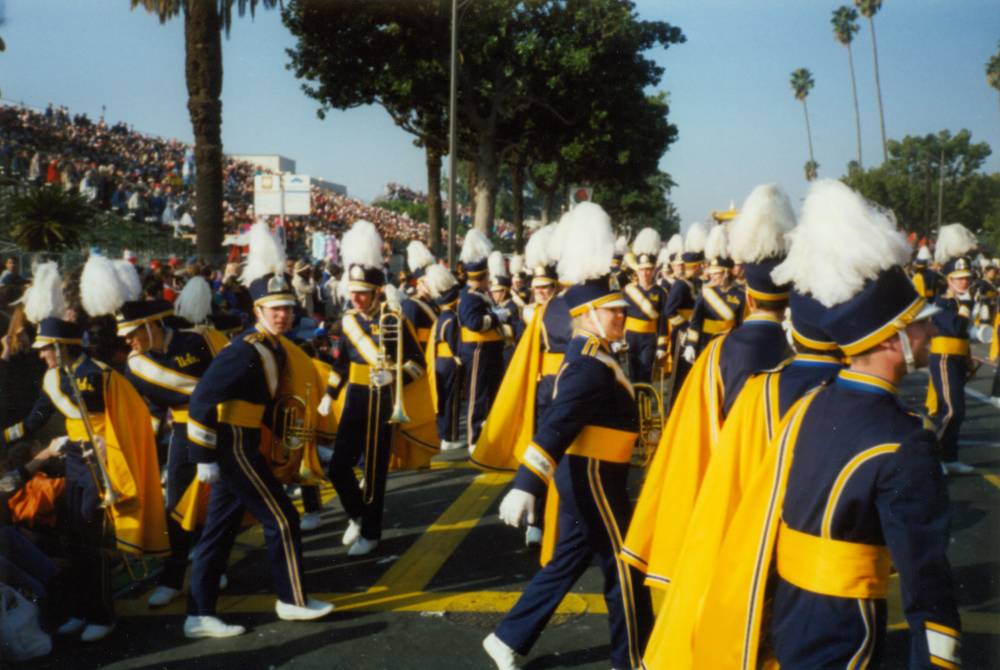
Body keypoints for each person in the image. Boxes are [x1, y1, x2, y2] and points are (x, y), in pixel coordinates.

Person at [678, 180, 960, 670]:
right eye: (919, 322)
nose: (930, 330)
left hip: (788, 617)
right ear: (892, 340)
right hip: (847, 629)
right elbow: (927, 584)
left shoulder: (810, 404)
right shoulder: (905, 441)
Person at [484, 202, 653, 670]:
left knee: (568, 560)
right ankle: (636, 659)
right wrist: (525, 483)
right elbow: (556, 425)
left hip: (598, 475)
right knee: (625, 567)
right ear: (590, 314)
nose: (623, 317)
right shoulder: (588, 364)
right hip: (594, 476)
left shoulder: (593, 354)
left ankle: (507, 637)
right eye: (614, 311)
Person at [622, 183, 794, 587]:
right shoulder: (815, 353)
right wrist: (682, 340)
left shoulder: (723, 348)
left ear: (749, 297)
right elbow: (685, 317)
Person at [2, 261, 167, 643]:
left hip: (100, 462)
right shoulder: (55, 377)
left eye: (46, 349)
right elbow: (34, 420)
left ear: (61, 348)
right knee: (75, 540)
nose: (41, 355)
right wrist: (4, 436)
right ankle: (83, 608)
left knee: (91, 542)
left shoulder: (95, 376)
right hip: (74, 459)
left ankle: (102, 614)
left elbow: (115, 422)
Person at [183, 222, 333, 638]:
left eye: (287, 308)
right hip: (232, 446)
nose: (283, 315)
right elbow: (200, 400)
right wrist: (203, 459)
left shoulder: (270, 346)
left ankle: (198, 614)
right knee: (283, 518)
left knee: (219, 531)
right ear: (258, 312)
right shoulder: (245, 350)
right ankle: (292, 599)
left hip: (245, 443)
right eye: (274, 309)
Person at [319, 220, 426, 557]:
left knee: (374, 472)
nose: (356, 298)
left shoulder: (394, 318)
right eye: (353, 292)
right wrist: (329, 395)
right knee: (338, 467)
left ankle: (372, 532)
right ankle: (356, 515)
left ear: (377, 291)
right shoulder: (349, 321)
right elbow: (341, 363)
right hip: (355, 399)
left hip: (382, 400)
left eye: (362, 293)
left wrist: (396, 376)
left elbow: (417, 364)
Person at [927, 223, 978, 475]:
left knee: (958, 410)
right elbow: (955, 327)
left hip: (957, 357)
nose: (965, 281)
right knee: (951, 410)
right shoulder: (942, 301)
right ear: (948, 279)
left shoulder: (960, 300)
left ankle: (949, 457)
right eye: (959, 278)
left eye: (967, 277)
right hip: (944, 357)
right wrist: (966, 309)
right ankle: (934, 457)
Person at [457, 230, 507, 448]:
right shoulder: (469, 297)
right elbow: (474, 323)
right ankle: (473, 439)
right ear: (483, 277)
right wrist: (497, 317)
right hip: (477, 349)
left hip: (487, 349)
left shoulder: (478, 295)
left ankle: (485, 435)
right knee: (477, 395)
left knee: (488, 394)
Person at [662, 222, 706, 407]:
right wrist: (685, 328)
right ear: (696, 266)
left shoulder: (697, 283)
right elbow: (669, 311)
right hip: (682, 334)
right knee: (680, 376)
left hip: (694, 332)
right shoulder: (680, 285)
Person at [683, 223, 744, 356]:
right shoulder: (706, 292)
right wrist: (691, 345)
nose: (712, 275)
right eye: (711, 272)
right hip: (706, 342)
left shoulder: (740, 295)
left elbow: (740, 324)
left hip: (729, 344)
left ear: (726, 273)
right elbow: (696, 320)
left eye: (716, 273)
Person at [622, 228, 669, 384]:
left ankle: (646, 404)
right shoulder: (629, 291)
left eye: (649, 269)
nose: (645, 273)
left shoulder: (661, 292)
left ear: (654, 270)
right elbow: (621, 315)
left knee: (646, 373)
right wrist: (617, 338)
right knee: (632, 375)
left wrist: (662, 345)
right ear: (638, 270)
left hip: (649, 338)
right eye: (642, 269)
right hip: (630, 337)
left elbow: (663, 319)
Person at [424, 264, 463, 450]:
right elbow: (456, 346)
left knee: (443, 398)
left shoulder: (441, 318)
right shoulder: (452, 319)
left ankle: (443, 434)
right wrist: (461, 360)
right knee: (451, 400)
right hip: (449, 362)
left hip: (440, 363)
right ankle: (450, 437)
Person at [488, 251, 524, 371]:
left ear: (504, 291)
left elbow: (517, 332)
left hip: (508, 350)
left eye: (496, 291)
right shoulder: (495, 306)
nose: (493, 294)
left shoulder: (512, 307)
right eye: (492, 292)